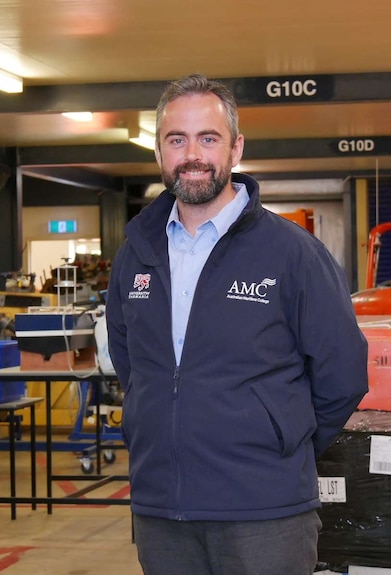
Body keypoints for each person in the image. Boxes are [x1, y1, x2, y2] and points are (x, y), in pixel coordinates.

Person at [105, 73, 369, 575]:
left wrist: (276, 438)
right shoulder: (135, 255)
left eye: (209, 138)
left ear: (235, 147)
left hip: (264, 514)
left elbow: (343, 374)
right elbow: (131, 363)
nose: (192, 154)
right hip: (162, 509)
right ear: (159, 152)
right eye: (176, 139)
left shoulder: (292, 253)